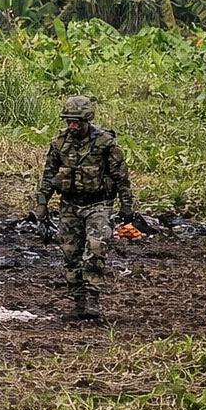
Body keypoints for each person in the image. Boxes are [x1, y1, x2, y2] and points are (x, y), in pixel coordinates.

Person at [36, 96, 137, 322]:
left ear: (87, 120)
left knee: (95, 248)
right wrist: (42, 203)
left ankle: (92, 299)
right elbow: (49, 175)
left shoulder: (105, 144)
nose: (73, 126)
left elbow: (121, 178)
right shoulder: (59, 143)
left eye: (77, 122)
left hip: (98, 204)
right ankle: (78, 301)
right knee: (70, 253)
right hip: (70, 204)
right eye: (69, 121)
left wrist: (127, 208)